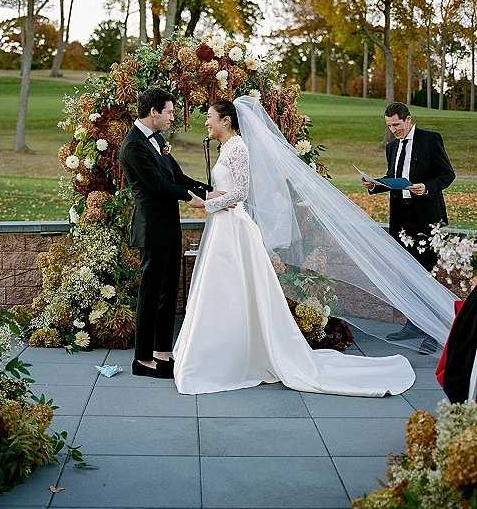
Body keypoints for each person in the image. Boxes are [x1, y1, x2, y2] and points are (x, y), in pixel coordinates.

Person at [173, 99, 417, 396]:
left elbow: (241, 192)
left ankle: (230, 358)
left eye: (209, 117)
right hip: (222, 226)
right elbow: (227, 190)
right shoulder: (226, 148)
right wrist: (210, 195)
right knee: (223, 290)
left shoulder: (237, 147)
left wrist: (206, 203)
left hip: (234, 228)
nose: (206, 123)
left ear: (226, 121)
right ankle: (216, 354)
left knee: (232, 288)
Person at [119, 88, 216, 379]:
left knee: (167, 291)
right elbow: (160, 187)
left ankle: (161, 352)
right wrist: (194, 199)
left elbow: (177, 177)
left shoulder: (157, 140)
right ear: (154, 112)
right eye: (170, 112)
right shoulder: (134, 146)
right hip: (152, 230)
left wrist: (210, 191)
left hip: (169, 227)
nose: (173, 117)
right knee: (150, 294)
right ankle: (142, 360)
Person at [362, 102, 455, 353]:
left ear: (408, 119)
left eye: (396, 124)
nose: (393, 130)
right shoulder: (392, 147)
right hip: (401, 218)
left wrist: (426, 187)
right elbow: (394, 177)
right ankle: (413, 323)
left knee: (427, 275)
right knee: (405, 275)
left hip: (427, 218)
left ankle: (433, 330)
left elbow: (447, 175)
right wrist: (375, 185)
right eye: (389, 126)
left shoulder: (430, 139)